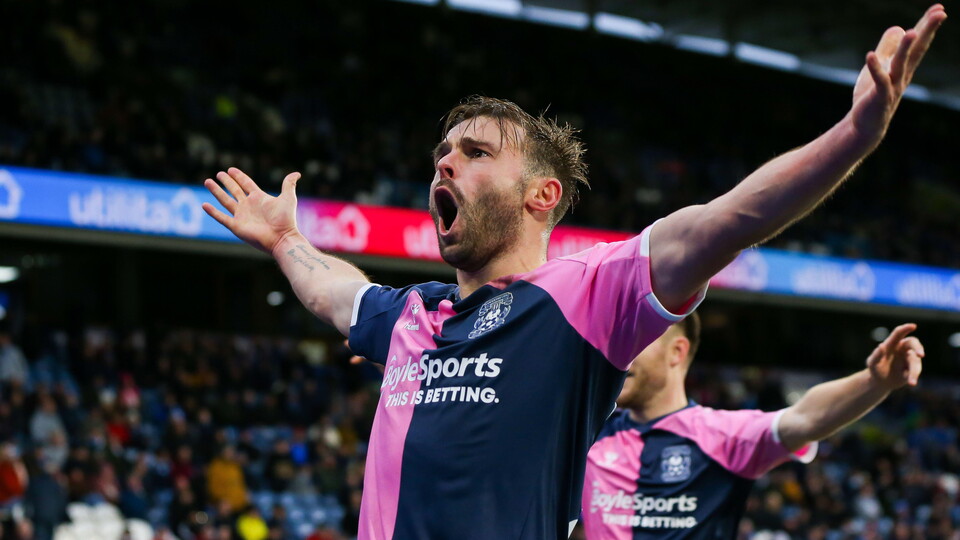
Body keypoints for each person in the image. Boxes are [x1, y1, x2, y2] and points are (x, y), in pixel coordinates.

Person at [201, 6, 946, 538]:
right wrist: (281, 242)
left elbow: (729, 220)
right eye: (443, 152)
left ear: (542, 196)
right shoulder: (409, 316)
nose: (445, 159)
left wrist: (852, 138)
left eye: (476, 151)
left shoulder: (586, 296)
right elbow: (332, 289)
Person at [580, 316, 924, 539]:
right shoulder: (586, 434)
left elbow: (805, 417)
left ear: (677, 352)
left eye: (636, 342)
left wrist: (873, 382)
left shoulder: (723, 434)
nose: (620, 355)